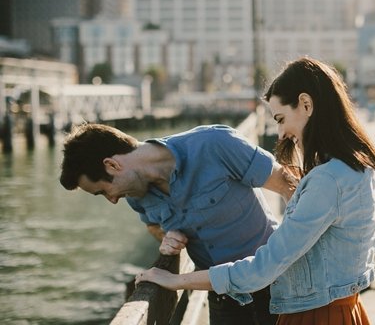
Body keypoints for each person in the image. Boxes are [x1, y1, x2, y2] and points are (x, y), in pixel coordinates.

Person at [136, 56, 375, 325]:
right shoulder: (371, 166)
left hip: (314, 316)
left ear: (306, 104)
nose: (279, 133)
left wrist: (176, 281)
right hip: (349, 311)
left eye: (280, 119)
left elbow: (262, 269)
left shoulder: (327, 180)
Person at [59, 122, 297, 325]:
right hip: (222, 299)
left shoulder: (214, 144)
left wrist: (297, 252)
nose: (112, 201)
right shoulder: (136, 197)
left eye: (103, 191)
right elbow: (153, 226)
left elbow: (289, 185)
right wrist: (166, 236)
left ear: (112, 165)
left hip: (279, 286)